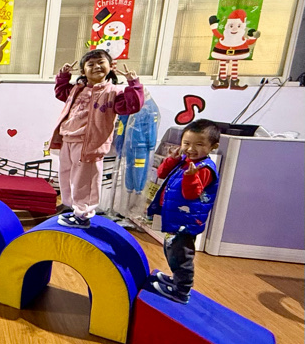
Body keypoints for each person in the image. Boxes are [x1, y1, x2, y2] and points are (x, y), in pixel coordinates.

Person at [50, 49, 144, 228]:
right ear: (83, 71)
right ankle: (72, 208)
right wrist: (63, 75)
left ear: (111, 67)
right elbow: (60, 92)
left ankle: (83, 214)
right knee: (66, 177)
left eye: (101, 62)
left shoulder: (114, 92)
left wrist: (134, 84)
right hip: (67, 139)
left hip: (88, 144)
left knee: (85, 180)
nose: (96, 67)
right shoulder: (77, 89)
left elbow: (133, 105)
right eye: (91, 64)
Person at [145, 120, 221, 303]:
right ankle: (176, 279)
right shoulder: (185, 161)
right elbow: (161, 173)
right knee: (172, 251)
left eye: (199, 144)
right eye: (186, 143)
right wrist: (172, 159)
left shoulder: (203, 169)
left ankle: (182, 291)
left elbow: (191, 194)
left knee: (181, 255)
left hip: (186, 222)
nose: (191, 149)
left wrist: (190, 177)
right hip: (175, 217)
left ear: (213, 147)